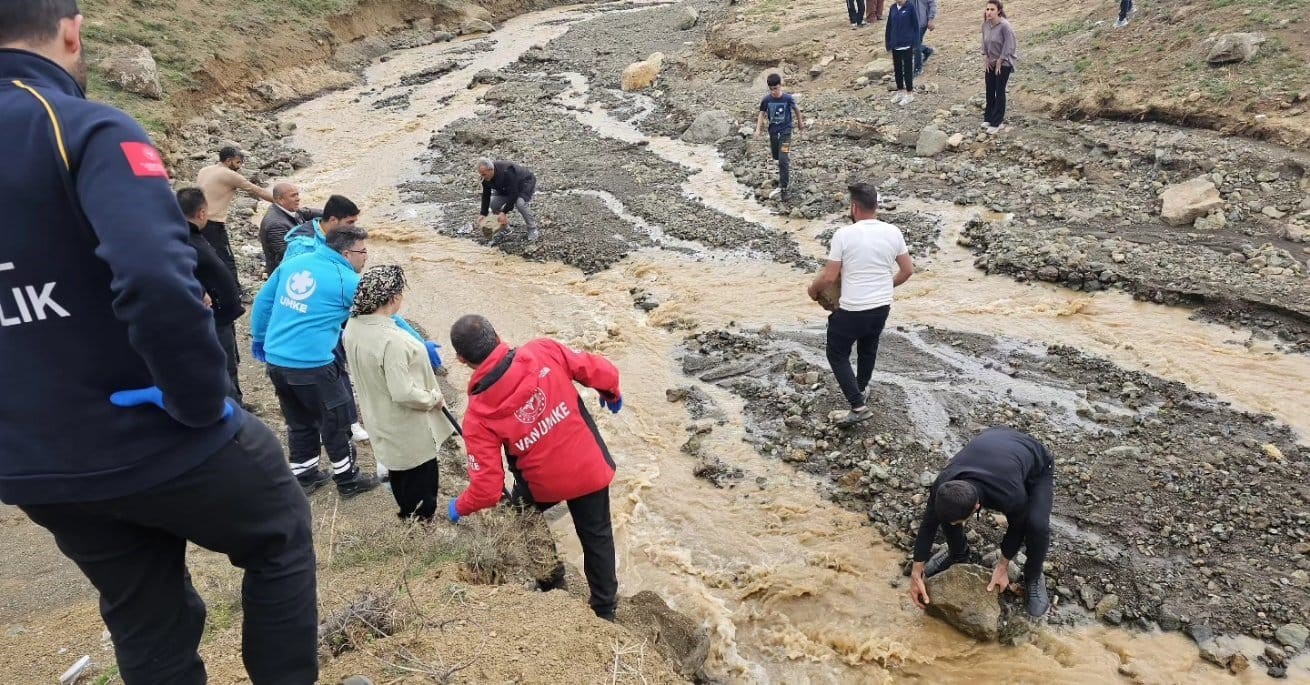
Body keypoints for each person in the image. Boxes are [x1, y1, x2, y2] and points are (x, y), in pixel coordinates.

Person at [0, 3, 318, 683]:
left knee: (147, 616)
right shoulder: (80, 126)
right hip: (151, 433)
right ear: (71, 30)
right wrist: (200, 401)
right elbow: (154, 275)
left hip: (37, 466)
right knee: (279, 531)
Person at [444, 314, 623, 621]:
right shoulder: (544, 350)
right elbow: (599, 369)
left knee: (525, 518)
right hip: (588, 468)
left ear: (461, 360)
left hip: (542, 484)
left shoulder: (477, 415)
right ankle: (604, 611)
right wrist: (612, 392)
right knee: (597, 536)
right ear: (497, 334)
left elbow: (487, 489)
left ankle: (552, 583)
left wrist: (458, 507)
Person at [250, 225, 380, 498]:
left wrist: (260, 339)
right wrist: (417, 344)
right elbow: (381, 317)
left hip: (276, 362)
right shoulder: (348, 280)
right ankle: (348, 481)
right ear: (347, 253)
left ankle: (305, 476)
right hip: (313, 365)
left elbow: (263, 302)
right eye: (363, 251)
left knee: (299, 420)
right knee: (336, 420)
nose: (366, 257)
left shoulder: (295, 263)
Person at [343, 265, 456, 520]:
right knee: (422, 487)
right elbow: (404, 393)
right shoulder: (392, 341)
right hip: (408, 431)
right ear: (393, 298)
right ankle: (419, 529)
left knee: (400, 478)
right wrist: (433, 399)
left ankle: (410, 517)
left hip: (379, 418)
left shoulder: (354, 325)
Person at [907, 427, 1054, 618]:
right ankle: (957, 553)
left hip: (1036, 463)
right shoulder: (944, 484)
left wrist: (1002, 568)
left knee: (1036, 525)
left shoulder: (1009, 495)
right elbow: (928, 523)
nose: (952, 525)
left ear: (977, 507)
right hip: (994, 444)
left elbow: (1017, 528)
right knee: (946, 516)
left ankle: (1033, 576)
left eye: (960, 521)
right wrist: (916, 571)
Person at [807, 183, 913, 427]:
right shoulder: (893, 232)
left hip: (853, 309)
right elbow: (907, 271)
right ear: (876, 205)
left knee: (837, 353)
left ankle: (857, 405)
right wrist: (886, 287)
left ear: (854, 207)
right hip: (881, 307)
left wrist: (813, 291)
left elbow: (829, 277)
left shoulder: (844, 235)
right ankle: (862, 389)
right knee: (868, 348)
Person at [178, 187, 247, 406]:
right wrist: (199, 290)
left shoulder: (190, 234)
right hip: (212, 318)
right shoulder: (182, 240)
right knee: (223, 366)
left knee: (230, 364)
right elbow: (175, 272)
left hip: (222, 314)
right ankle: (234, 413)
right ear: (201, 213)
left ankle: (238, 401)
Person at [196, 146, 275, 283]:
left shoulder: (204, 170)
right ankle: (235, 292)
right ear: (228, 161)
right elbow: (257, 191)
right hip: (213, 223)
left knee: (203, 257)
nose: (239, 166)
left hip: (196, 220)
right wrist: (281, 202)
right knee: (226, 260)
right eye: (237, 162)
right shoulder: (229, 174)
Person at [754, 73, 804, 203]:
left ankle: (784, 188)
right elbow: (761, 114)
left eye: (776, 88)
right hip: (773, 133)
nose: (774, 92)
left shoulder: (788, 98)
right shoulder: (766, 100)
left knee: (783, 159)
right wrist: (758, 129)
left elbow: (796, 110)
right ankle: (783, 173)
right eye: (771, 89)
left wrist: (800, 122)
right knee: (776, 156)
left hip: (786, 132)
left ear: (780, 86)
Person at [258, 182, 320, 275]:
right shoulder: (276, 225)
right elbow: (288, 255)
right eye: (293, 196)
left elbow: (307, 212)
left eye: (297, 194)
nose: (298, 199)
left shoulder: (286, 209)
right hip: (287, 275)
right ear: (280, 199)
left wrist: (334, 213)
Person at [281, 193, 360, 264]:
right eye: (350, 222)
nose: (353, 227)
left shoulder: (336, 234)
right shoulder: (303, 246)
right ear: (333, 220)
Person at [475, 158, 541, 243]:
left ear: (491, 170)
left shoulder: (507, 171)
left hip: (524, 183)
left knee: (520, 203)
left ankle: (532, 228)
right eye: (481, 175)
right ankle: (504, 228)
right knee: (494, 204)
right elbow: (486, 195)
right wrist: (483, 213)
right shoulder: (485, 178)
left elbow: (514, 194)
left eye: (484, 174)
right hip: (505, 187)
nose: (482, 177)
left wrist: (504, 212)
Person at [981, 0, 1018, 134]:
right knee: (989, 89)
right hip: (991, 61)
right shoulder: (985, 25)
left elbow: (1010, 44)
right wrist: (985, 56)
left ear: (999, 11)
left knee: (999, 89)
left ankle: (997, 122)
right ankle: (989, 117)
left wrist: (1000, 60)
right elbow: (984, 41)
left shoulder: (1005, 26)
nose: (989, 12)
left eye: (992, 9)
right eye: (987, 9)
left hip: (1004, 62)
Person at [885, 0, 920, 106]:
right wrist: (888, 43)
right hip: (896, 45)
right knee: (897, 70)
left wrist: (916, 44)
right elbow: (889, 26)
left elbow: (916, 26)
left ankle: (909, 94)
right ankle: (900, 92)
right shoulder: (893, 8)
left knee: (908, 70)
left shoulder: (910, 7)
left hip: (907, 44)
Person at [913, 0, 938, 76]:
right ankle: (927, 51)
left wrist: (931, 19)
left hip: (921, 23)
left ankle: (918, 68)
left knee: (916, 44)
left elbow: (932, 4)